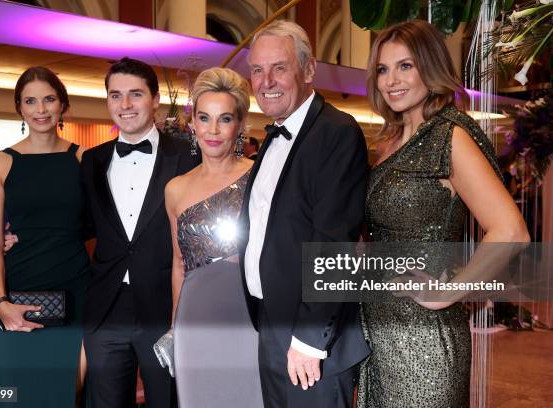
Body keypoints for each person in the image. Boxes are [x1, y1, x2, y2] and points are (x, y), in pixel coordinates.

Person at [358, 20, 530, 407]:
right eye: (383, 70)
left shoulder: (449, 135)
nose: (391, 81)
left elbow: (510, 230)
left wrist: (449, 291)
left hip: (425, 338)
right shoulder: (389, 140)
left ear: (430, 67)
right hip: (380, 332)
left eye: (405, 66)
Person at [239, 20, 370, 407]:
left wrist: (310, 340)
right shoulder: (272, 138)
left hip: (312, 338)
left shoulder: (336, 132)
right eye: (257, 71)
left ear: (308, 70)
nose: (266, 81)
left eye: (279, 67)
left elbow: (334, 243)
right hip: (272, 323)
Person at [80, 57, 196, 408]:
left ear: (155, 99)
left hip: (165, 305)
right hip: (107, 305)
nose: (125, 105)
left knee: (168, 399)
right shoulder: (92, 160)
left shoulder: (187, 156)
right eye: (115, 96)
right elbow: (81, 224)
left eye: (135, 94)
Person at [0, 67, 90, 407]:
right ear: (19, 108)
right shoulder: (0, 163)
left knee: (67, 393)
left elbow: (101, 229)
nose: (40, 109)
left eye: (48, 99)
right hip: (20, 291)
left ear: (63, 105)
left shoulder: (84, 158)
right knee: (20, 394)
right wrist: (1, 304)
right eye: (30, 101)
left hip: (76, 290)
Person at [163, 67, 262, 407]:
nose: (214, 130)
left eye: (225, 119)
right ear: (193, 124)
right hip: (196, 322)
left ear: (240, 124)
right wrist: (175, 329)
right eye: (205, 118)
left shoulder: (260, 177)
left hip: (252, 316)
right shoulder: (176, 189)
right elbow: (178, 266)